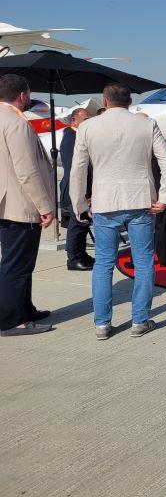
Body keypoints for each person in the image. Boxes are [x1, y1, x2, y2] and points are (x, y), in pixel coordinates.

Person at [70, 83, 166, 340]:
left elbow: (78, 169)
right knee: (144, 261)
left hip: (105, 202)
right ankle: (140, 320)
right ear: (130, 102)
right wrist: (164, 197)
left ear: (105, 101)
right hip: (140, 200)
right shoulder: (146, 124)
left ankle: (102, 324)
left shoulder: (87, 127)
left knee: (104, 263)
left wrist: (79, 204)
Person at [0, 74, 55, 337]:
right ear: (23, 95)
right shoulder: (15, 123)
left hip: (4, 201)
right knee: (17, 265)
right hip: (19, 203)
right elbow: (27, 171)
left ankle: (25, 309)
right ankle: (12, 320)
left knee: (17, 262)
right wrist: (44, 206)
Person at [59, 107, 94, 271]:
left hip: (83, 187)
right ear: (74, 120)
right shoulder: (71, 138)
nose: (88, 122)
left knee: (84, 223)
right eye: (85, 120)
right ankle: (73, 258)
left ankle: (81, 253)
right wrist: (83, 192)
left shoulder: (78, 136)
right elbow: (75, 169)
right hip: (76, 188)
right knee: (77, 223)